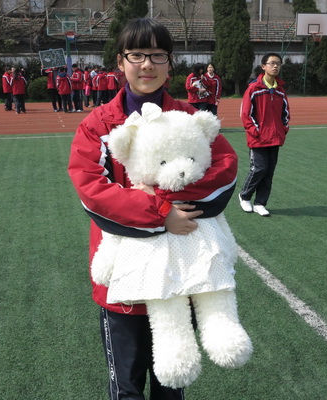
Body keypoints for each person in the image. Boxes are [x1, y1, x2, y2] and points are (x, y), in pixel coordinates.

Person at [67, 18, 238, 399]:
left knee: (172, 383)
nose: (147, 64)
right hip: (124, 277)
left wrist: (161, 196)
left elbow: (224, 168)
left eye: (158, 55)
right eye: (137, 55)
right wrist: (162, 214)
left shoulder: (189, 118)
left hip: (181, 270)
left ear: (169, 62)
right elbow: (92, 191)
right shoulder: (98, 125)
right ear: (120, 61)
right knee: (126, 387)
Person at [239, 53, 290, 217]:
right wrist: (256, 132)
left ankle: (260, 203)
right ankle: (245, 196)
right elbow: (246, 114)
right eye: (272, 63)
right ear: (263, 66)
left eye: (278, 64)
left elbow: (285, 113)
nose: (275, 66)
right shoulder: (254, 89)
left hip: (275, 138)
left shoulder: (280, 91)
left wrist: (283, 129)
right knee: (259, 169)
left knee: (269, 173)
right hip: (258, 138)